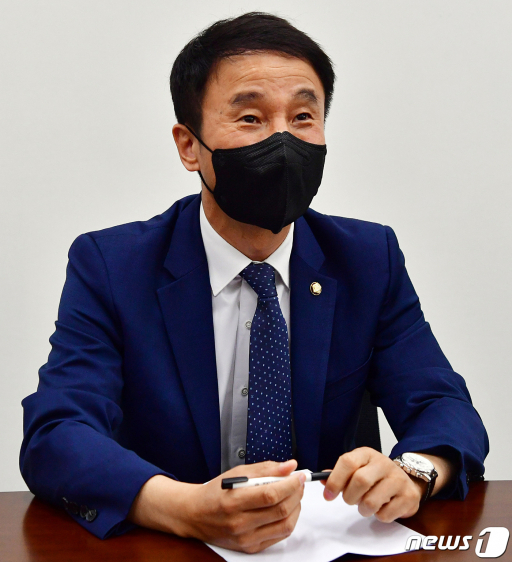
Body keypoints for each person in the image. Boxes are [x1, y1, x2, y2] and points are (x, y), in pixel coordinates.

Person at [20, 12, 488, 554]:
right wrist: (183, 508)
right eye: (250, 118)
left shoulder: (366, 259)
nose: (283, 140)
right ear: (189, 145)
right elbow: (58, 433)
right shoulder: (113, 265)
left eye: (304, 116)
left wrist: (414, 472)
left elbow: (443, 404)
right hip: (168, 548)